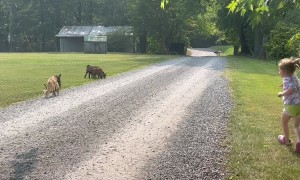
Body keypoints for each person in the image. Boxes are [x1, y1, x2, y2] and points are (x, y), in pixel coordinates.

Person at [277, 57, 300, 153]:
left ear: (285, 71)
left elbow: (292, 89)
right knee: (296, 126)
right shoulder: (294, 77)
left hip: (291, 106)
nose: (279, 72)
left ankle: (286, 141)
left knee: (284, 122)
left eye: (280, 70)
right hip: (299, 105)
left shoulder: (286, 79)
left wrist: (282, 93)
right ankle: (299, 141)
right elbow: (294, 86)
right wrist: (284, 87)